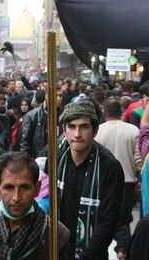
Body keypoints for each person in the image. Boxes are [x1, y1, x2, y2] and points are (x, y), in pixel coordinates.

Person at [57, 100, 124, 259]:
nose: (77, 134)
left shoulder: (109, 167)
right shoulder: (57, 160)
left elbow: (107, 224)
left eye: (84, 127)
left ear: (95, 130)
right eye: (72, 127)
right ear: (64, 130)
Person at [95, 98, 142, 260]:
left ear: (104, 113)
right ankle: (122, 249)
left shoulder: (97, 131)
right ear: (121, 112)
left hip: (103, 182)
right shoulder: (133, 130)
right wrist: (140, 178)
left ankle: (110, 248)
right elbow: (138, 159)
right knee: (123, 217)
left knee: (105, 216)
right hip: (127, 181)